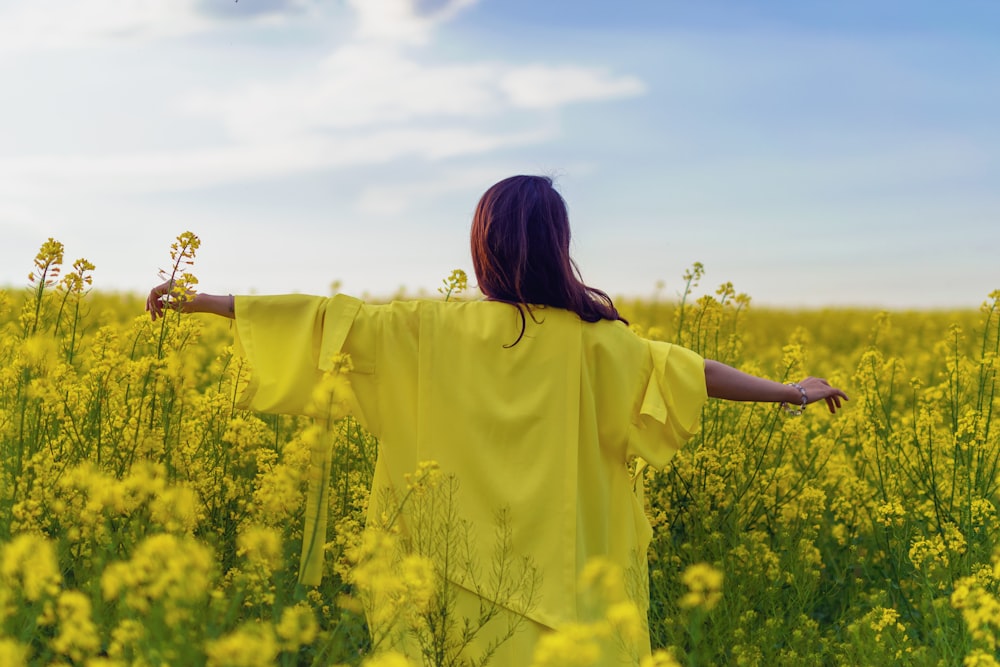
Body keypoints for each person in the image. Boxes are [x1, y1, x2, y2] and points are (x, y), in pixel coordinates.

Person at [147, 175, 847, 665]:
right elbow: (690, 372)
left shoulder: (426, 328)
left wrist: (204, 301)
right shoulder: (600, 342)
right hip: (567, 588)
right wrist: (789, 391)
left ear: (483, 244)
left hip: (452, 579)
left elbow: (326, 319)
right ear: (557, 245)